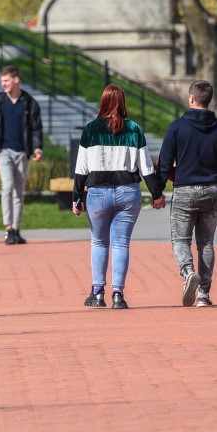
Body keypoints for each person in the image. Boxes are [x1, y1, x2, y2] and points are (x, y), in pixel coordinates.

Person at [70, 84, 156, 309]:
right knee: (121, 243)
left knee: (99, 241)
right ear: (123, 102)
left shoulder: (91, 129)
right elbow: (146, 167)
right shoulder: (134, 130)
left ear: (104, 102)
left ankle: (98, 292)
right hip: (128, 192)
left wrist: (76, 197)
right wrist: (157, 194)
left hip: (98, 193)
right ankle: (118, 294)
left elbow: (81, 169)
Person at [155, 79, 217, 308]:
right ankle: (204, 294)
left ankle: (188, 271)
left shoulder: (177, 127)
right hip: (213, 189)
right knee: (206, 243)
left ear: (191, 98)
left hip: (185, 189)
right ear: (209, 101)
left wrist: (158, 192)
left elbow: (164, 163)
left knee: (180, 239)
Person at [0, 65, 44, 246]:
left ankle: (16, 230)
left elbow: (36, 128)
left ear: (16, 80)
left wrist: (37, 148)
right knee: (8, 187)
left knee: (19, 192)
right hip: (4, 152)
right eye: (2, 81)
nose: (3, 84)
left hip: (22, 153)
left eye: (6, 80)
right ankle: (8, 229)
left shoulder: (29, 102)